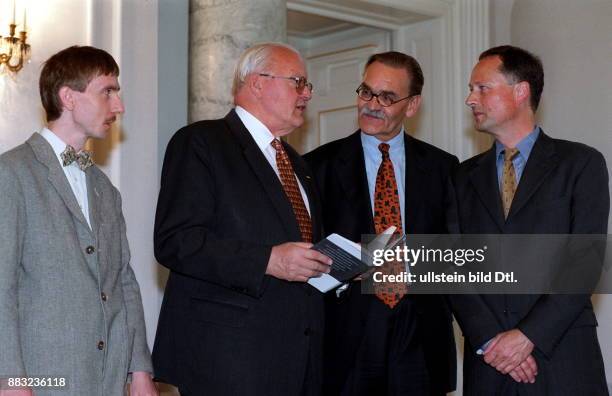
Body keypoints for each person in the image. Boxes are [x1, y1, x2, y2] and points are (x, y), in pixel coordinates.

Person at [152, 42, 331, 396]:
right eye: (298, 82)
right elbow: (176, 241)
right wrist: (269, 260)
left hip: (299, 357)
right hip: (227, 357)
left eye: (307, 85)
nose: (306, 94)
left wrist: (332, 263)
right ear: (258, 83)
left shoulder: (297, 163)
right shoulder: (201, 142)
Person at [447, 45, 609, 395]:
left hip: (563, 359)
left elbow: (585, 263)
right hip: (489, 366)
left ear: (521, 91)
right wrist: (493, 341)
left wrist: (526, 337)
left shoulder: (580, 164)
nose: (470, 99)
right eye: (471, 89)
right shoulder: (461, 177)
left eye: (481, 88)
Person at [0, 46, 157, 396]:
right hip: (41, 379)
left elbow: (124, 283)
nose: (119, 106)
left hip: (108, 380)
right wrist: (9, 378)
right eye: (108, 91)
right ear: (68, 97)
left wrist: (140, 368)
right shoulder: (10, 173)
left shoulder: (104, 188)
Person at [305, 51, 457, 396]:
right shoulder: (317, 167)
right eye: (365, 91)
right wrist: (353, 265)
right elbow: (304, 251)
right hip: (346, 331)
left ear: (412, 104)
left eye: (387, 97)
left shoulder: (443, 167)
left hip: (420, 332)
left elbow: (455, 251)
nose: (371, 104)